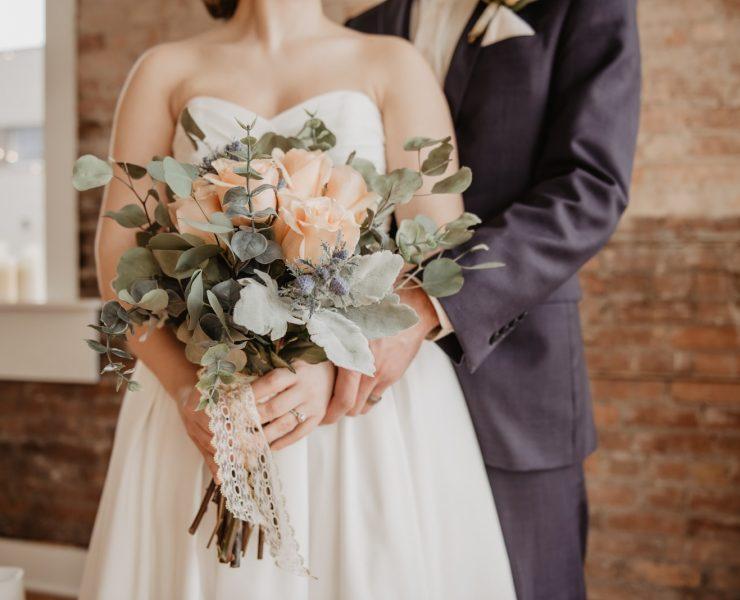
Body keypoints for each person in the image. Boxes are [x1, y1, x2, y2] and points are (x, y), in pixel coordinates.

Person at [79, 0, 517, 598]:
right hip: (210, 394)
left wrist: (327, 363)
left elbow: (436, 253)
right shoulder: (164, 69)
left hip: (359, 410)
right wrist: (189, 388)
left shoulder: (392, 63)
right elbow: (118, 259)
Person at [334, 1, 641, 598]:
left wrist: (429, 303)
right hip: (370, 404)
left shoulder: (586, 7)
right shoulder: (363, 29)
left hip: (515, 381)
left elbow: (590, 187)